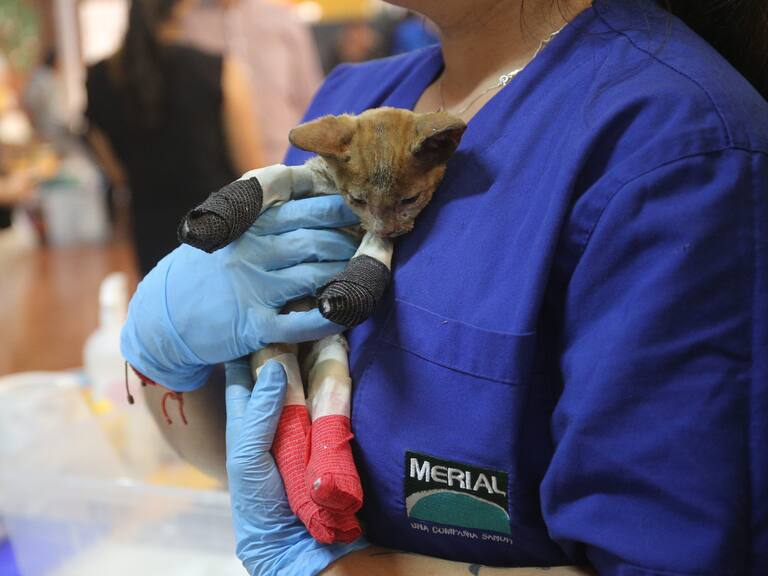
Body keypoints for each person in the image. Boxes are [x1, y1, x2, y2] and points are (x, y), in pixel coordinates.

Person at [121, 0, 768, 574]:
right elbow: (249, 455)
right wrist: (163, 352)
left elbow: (660, 555)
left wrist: (327, 569)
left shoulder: (672, 146)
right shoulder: (353, 101)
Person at [85, 0, 263, 275]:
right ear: (182, 7)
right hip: (221, 234)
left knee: (164, 301)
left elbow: (116, 172)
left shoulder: (100, 78)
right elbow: (251, 171)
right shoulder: (220, 70)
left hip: (150, 236)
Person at [182, 0, 323, 165]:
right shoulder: (186, 24)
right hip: (216, 163)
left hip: (286, 159)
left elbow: (312, 99)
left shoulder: (282, 19)